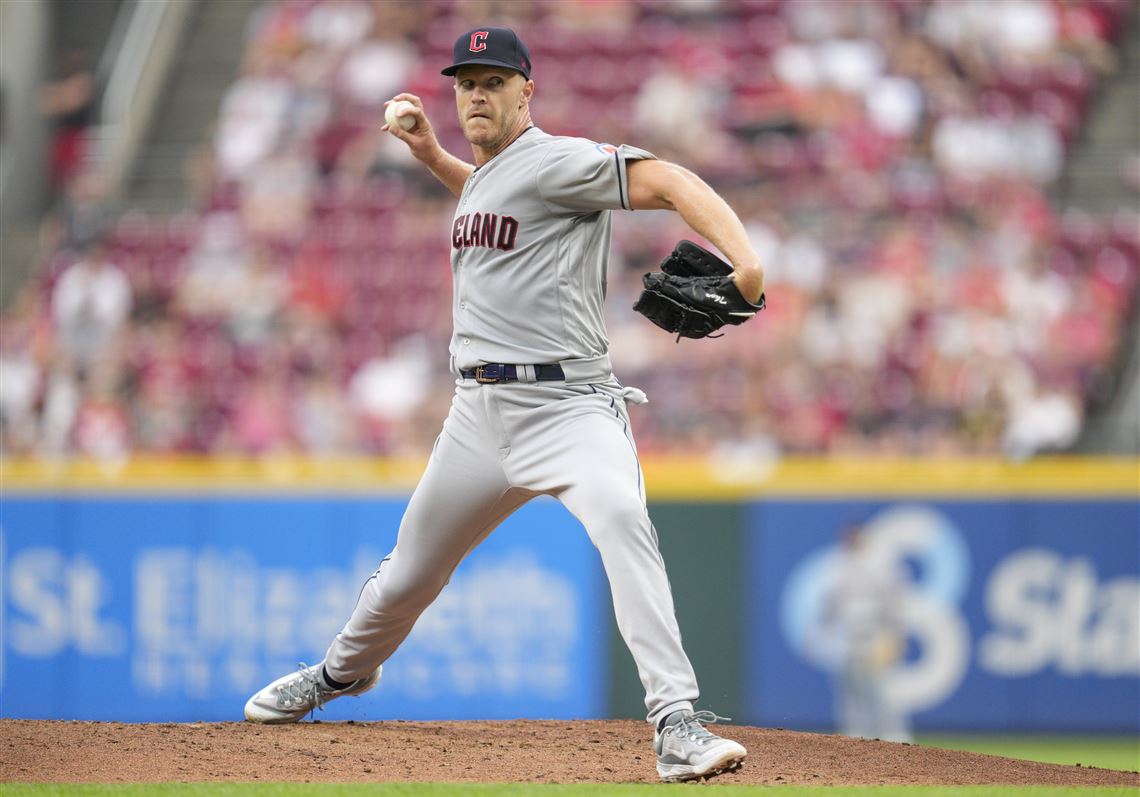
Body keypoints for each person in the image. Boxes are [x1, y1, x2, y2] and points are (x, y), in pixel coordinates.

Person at [244, 26, 765, 783]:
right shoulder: (490, 174)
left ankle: (676, 720)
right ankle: (337, 673)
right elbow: (499, 203)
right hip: (478, 415)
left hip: (570, 407)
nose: (476, 94)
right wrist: (430, 156)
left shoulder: (559, 161)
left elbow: (670, 181)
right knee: (406, 576)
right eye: (466, 82)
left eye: (493, 80)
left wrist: (745, 260)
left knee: (622, 521)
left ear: (528, 90)